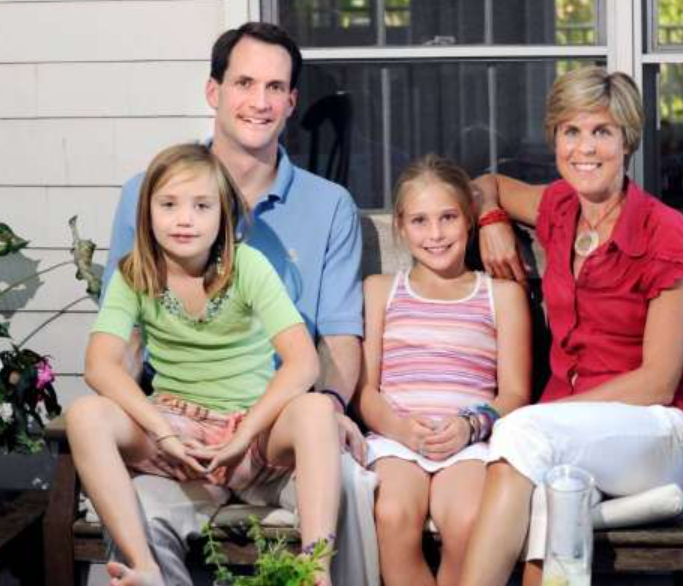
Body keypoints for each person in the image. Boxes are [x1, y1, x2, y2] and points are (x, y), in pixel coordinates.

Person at [101, 22, 378, 586]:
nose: (259, 101)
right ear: (213, 91)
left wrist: (325, 409)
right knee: (136, 513)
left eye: (275, 88)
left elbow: (340, 340)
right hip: (185, 430)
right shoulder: (148, 192)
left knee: (350, 485)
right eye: (244, 82)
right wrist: (148, 427)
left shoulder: (329, 207)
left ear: (291, 102)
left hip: (280, 438)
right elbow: (125, 342)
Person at [457, 67, 683, 586]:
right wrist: (490, 221)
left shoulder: (665, 234)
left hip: (654, 432)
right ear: (554, 138)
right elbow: (485, 185)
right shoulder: (558, 207)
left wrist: (545, 417)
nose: (585, 148)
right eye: (570, 132)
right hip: (567, 436)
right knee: (552, 504)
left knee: (522, 435)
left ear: (627, 141)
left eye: (602, 132)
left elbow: (658, 382)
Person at [66, 143, 339, 586]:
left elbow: (302, 363)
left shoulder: (247, 265)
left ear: (223, 215)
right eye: (168, 204)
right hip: (180, 435)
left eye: (201, 205)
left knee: (315, 409)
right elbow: (100, 366)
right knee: (84, 415)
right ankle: (146, 569)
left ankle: (314, 570)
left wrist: (247, 432)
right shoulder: (134, 275)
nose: (184, 219)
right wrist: (162, 431)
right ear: (147, 213)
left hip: (252, 435)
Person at [357, 154, 532, 586]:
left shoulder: (500, 295)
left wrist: (471, 426)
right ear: (400, 225)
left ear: (469, 220)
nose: (435, 234)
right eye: (420, 221)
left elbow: (514, 393)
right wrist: (400, 429)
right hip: (397, 439)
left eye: (448, 217)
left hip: (469, 439)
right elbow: (365, 391)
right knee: (392, 512)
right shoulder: (381, 291)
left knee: (470, 517)